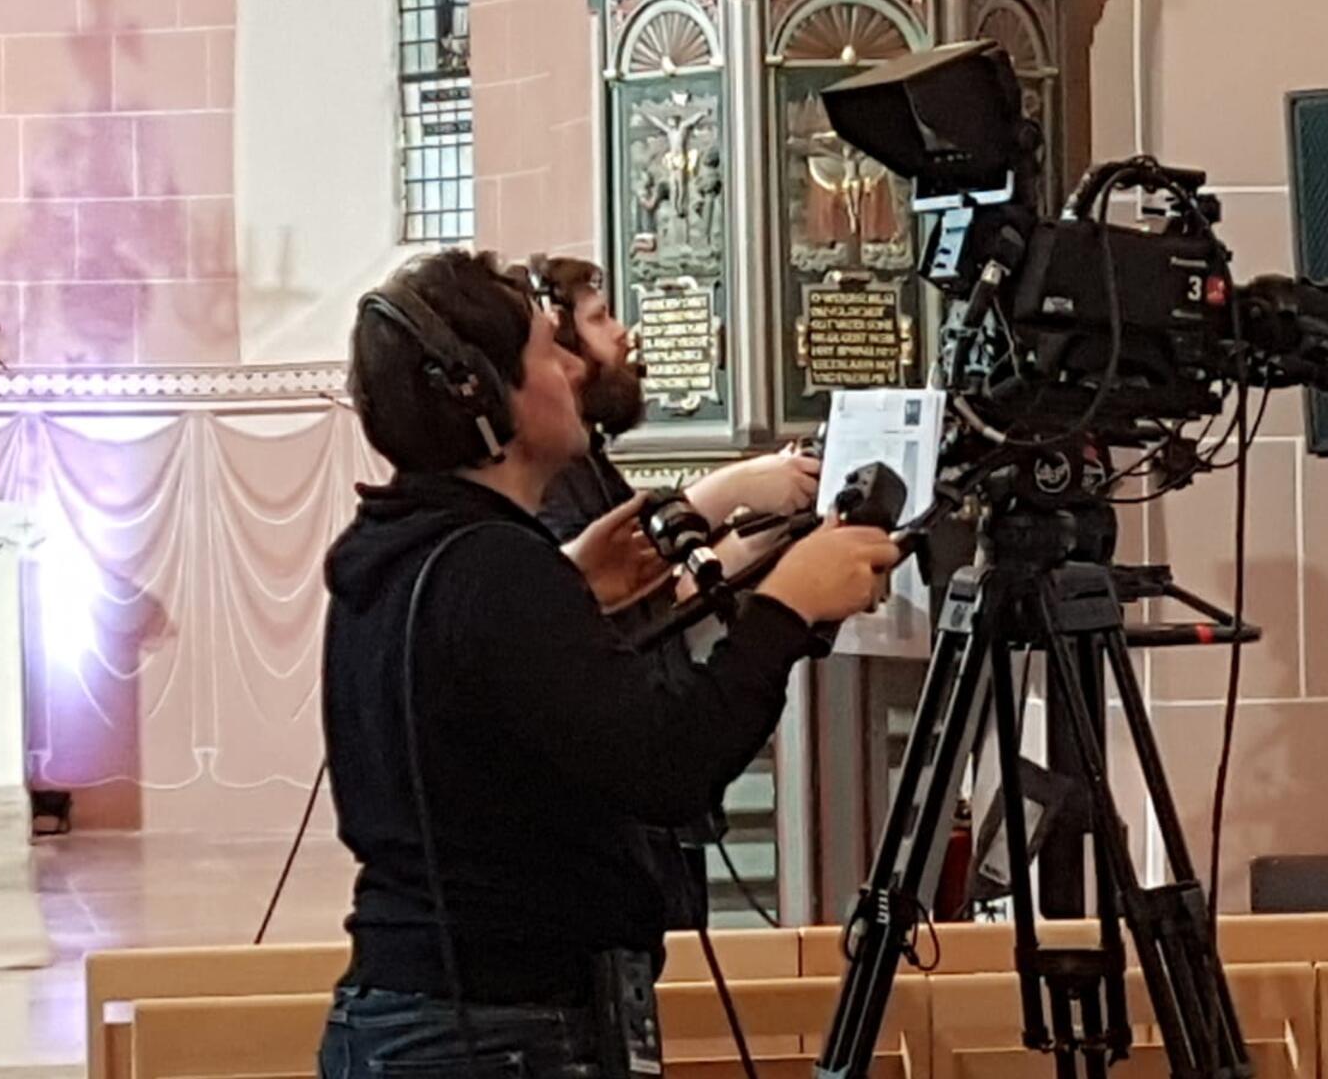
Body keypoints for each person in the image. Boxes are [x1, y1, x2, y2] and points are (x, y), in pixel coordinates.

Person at [319, 249, 899, 1078]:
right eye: (547, 350)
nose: (571, 368)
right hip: (495, 1031)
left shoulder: (405, 552)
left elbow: (478, 715)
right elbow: (667, 767)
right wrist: (786, 609)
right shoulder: (492, 571)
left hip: (426, 1013)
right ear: (481, 398)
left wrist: (569, 591)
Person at [527, 253, 820, 933]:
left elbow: (656, 598)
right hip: (619, 812)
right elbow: (595, 609)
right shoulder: (549, 488)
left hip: (654, 815)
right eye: (600, 320)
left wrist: (757, 544)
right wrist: (730, 492)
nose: (624, 334)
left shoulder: (588, 465)